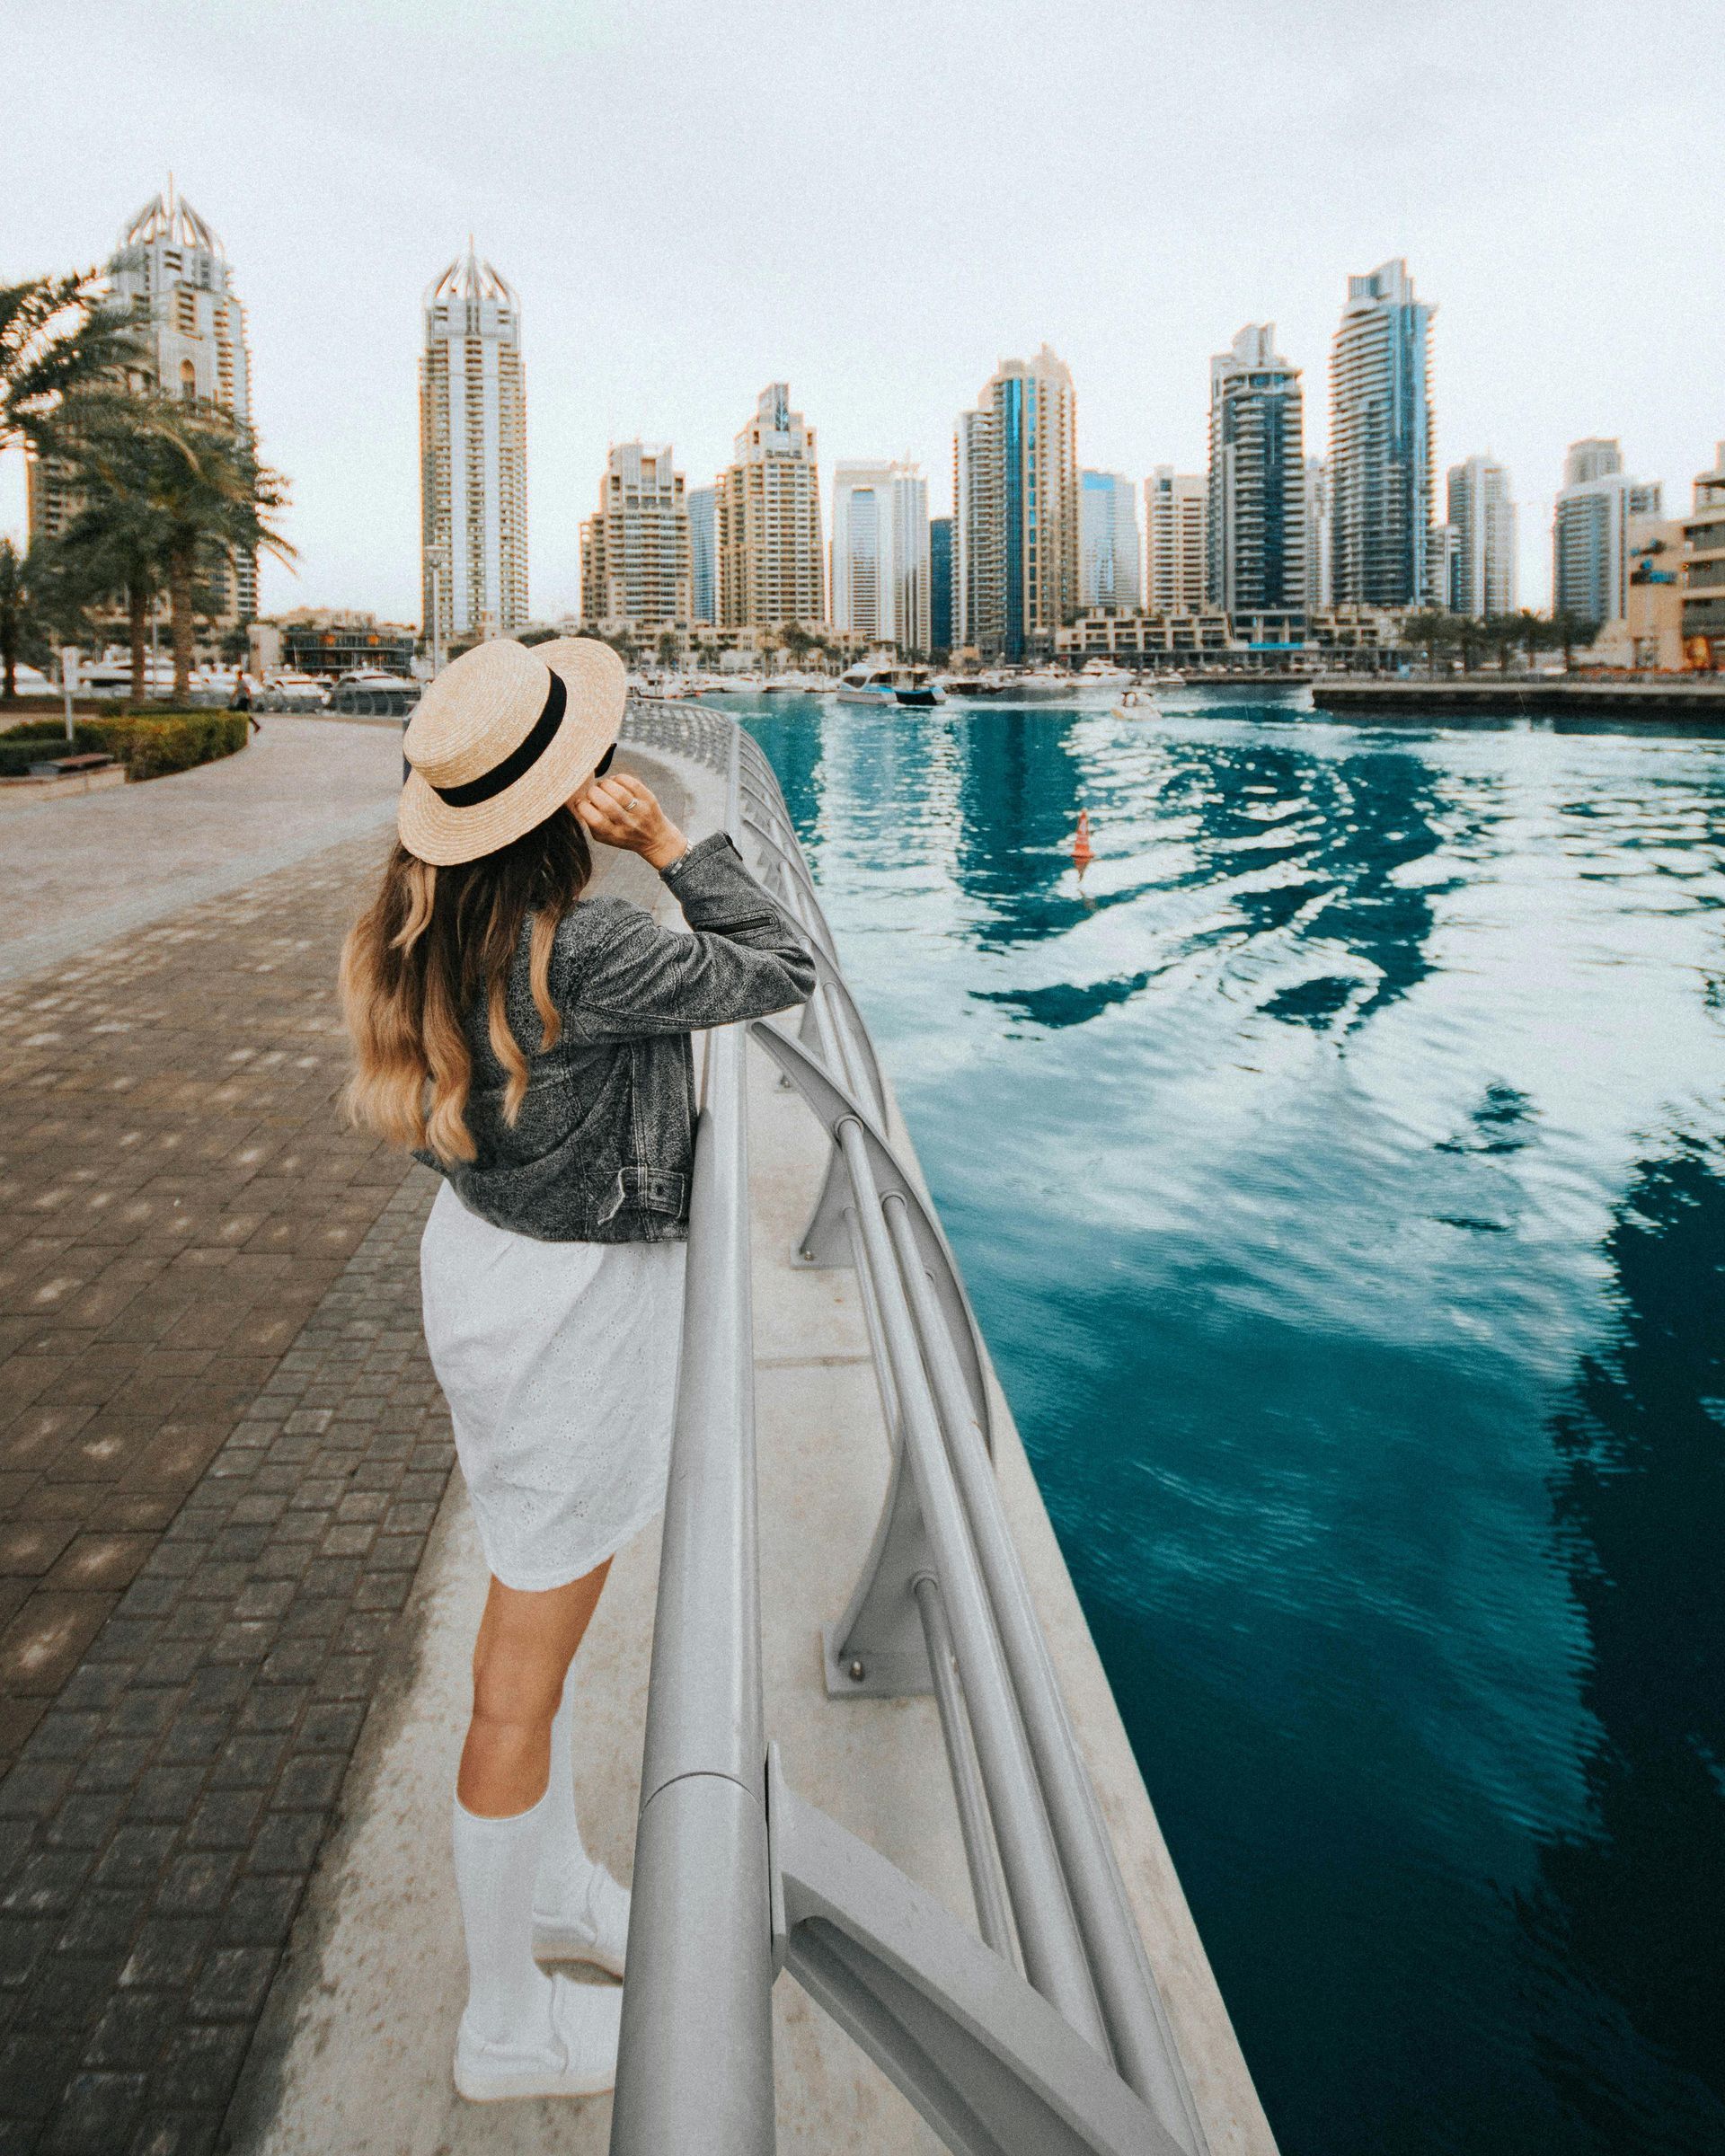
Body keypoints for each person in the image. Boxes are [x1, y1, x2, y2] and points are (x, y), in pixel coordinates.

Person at [339, 637, 814, 2103]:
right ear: (563, 802)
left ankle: (546, 1893)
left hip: (493, 1282)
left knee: (533, 1610)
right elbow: (783, 968)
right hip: (563, 1324)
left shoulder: (420, 931)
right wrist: (674, 842)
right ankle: (504, 2026)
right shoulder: (588, 948)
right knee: (518, 1678)